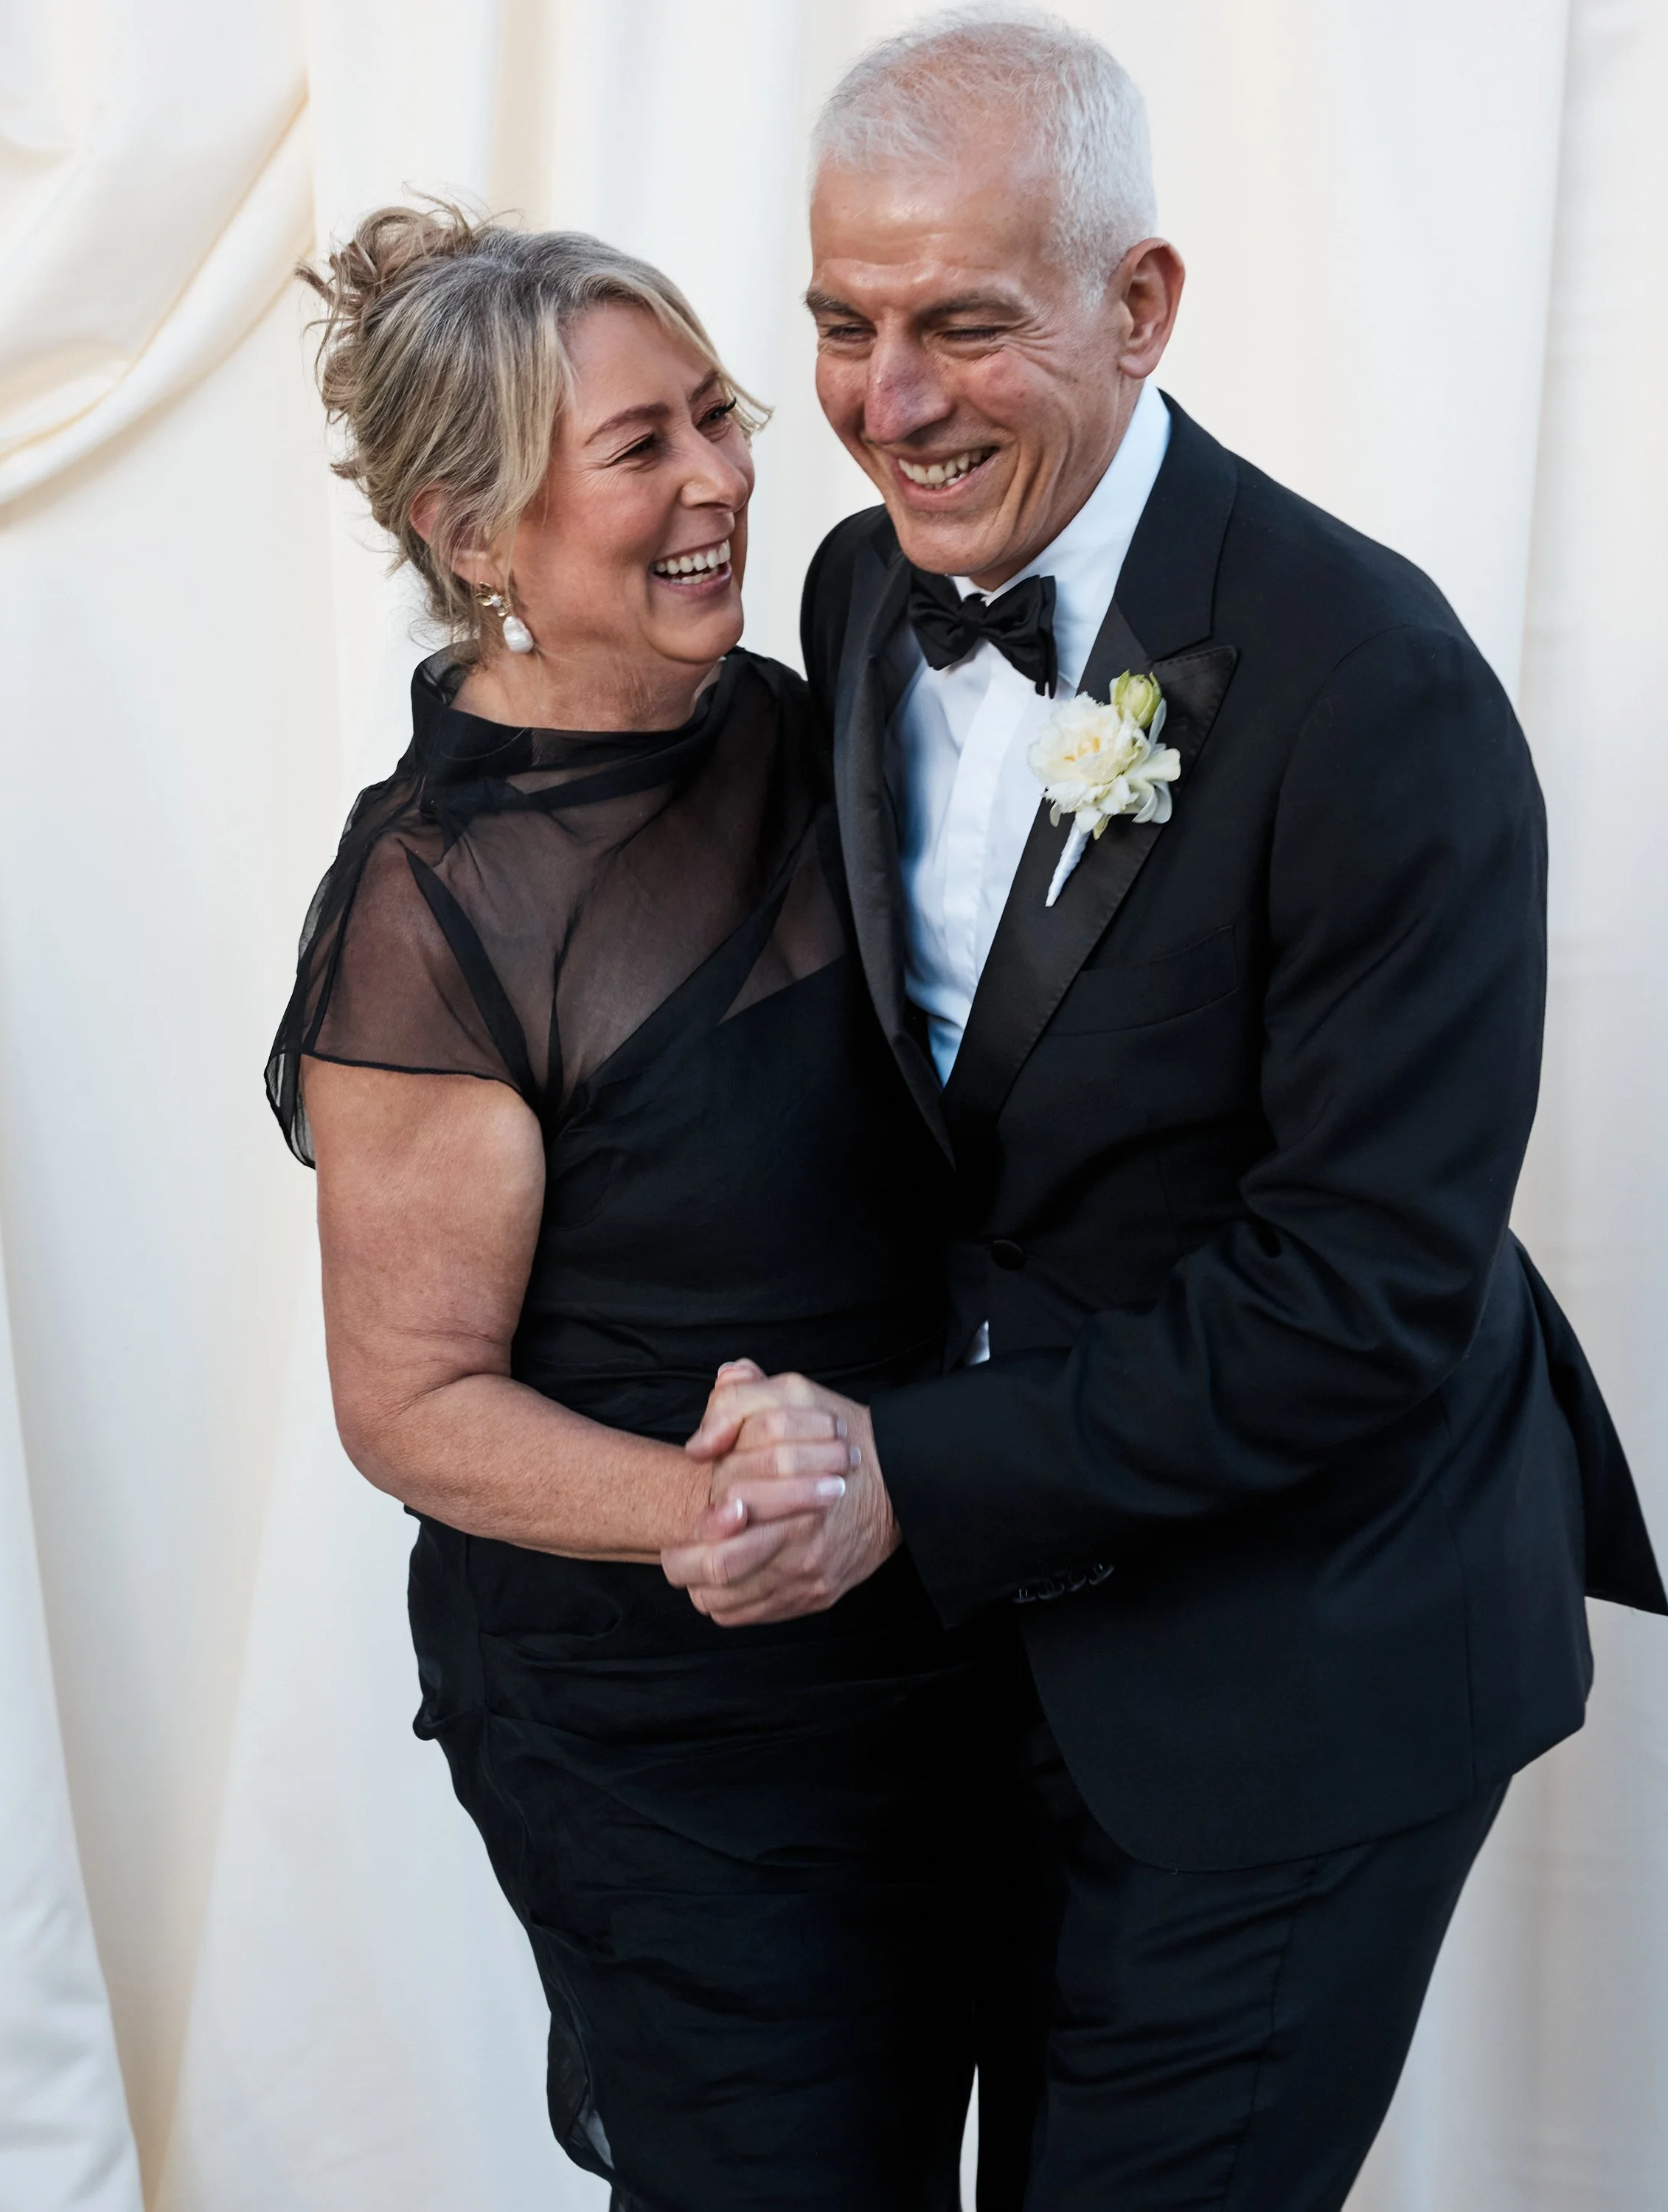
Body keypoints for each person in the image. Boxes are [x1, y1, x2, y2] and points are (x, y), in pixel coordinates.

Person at [664, 13, 1668, 2210]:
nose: (887, 405)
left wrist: (897, 1471)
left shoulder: (1372, 690)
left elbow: (1358, 1293)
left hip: (1311, 1648)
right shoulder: (856, 595)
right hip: (991, 1644)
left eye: (960, 327)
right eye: (841, 324)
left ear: (1141, 307)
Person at [266, 207, 993, 2212]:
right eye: (642, 447)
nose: (725, 478)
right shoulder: (437, 913)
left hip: (950, 1624)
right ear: (475, 531)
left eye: (720, 417)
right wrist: (737, 1512)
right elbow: (408, 1401)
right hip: (676, 1722)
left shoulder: (814, 711)